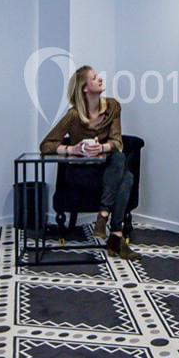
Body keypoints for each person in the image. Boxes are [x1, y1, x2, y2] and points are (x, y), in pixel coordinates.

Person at [39, 65, 139, 261]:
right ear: (85, 88)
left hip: (107, 169)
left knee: (119, 160)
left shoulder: (112, 107)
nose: (100, 79)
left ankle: (105, 219)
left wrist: (101, 148)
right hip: (82, 174)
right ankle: (116, 235)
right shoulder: (74, 115)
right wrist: (71, 149)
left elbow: (117, 142)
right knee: (126, 176)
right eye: (94, 78)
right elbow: (46, 145)